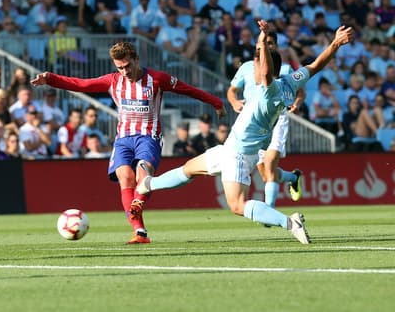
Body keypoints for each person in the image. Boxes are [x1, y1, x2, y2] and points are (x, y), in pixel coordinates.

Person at [137, 21, 355, 244]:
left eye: (257, 63)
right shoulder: (289, 83)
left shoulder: (268, 91)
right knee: (189, 169)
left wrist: (261, 40)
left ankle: (290, 223)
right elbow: (316, 65)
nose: (254, 67)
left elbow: (268, 72)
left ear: (264, 69)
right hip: (233, 149)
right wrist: (336, 43)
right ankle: (148, 184)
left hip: (239, 154)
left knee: (238, 205)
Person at [31, 41, 226, 244]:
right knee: (125, 177)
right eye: (119, 67)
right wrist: (50, 79)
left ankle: (137, 205)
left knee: (143, 173)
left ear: (136, 60)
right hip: (123, 139)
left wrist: (217, 103)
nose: (124, 71)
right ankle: (140, 231)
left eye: (127, 66)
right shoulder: (112, 81)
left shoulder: (157, 79)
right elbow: (81, 84)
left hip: (148, 137)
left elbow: (188, 90)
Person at [227, 31, 305, 209]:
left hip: (277, 118)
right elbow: (232, 90)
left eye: (271, 43)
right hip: (252, 122)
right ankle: (293, 177)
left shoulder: (283, 69)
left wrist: (297, 103)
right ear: (258, 45)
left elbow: (300, 91)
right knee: (265, 173)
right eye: (265, 43)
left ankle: (269, 211)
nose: (268, 47)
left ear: (275, 46)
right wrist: (233, 102)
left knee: (269, 164)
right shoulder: (247, 67)